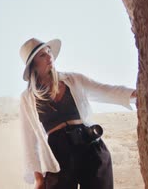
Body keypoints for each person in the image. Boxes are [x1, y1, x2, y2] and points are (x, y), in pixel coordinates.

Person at [19, 37, 137, 189]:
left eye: (49, 51)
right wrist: (39, 179)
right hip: (58, 155)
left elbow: (104, 90)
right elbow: (29, 139)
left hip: (89, 145)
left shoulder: (73, 79)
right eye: (42, 55)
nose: (50, 56)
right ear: (33, 65)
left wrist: (136, 94)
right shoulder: (28, 98)